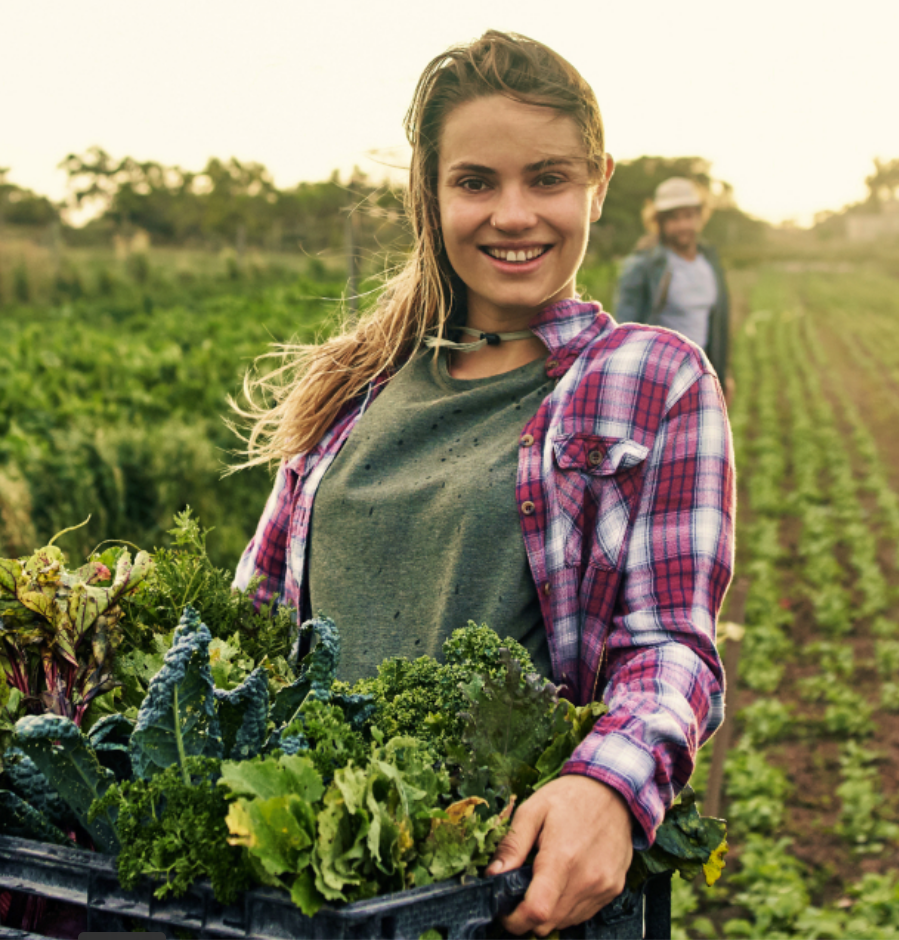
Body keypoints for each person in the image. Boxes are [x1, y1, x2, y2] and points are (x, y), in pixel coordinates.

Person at [230, 31, 732, 937]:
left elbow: (669, 645)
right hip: (311, 885)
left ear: (597, 184)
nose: (513, 213)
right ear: (429, 194)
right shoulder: (357, 382)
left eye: (547, 178)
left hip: (500, 893)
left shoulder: (652, 378)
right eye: (474, 183)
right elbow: (254, 616)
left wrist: (605, 782)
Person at [614, 177, 733, 396]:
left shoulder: (709, 260)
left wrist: (722, 376)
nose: (683, 225)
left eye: (688, 216)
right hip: (660, 381)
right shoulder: (644, 265)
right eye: (673, 219)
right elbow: (625, 332)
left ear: (699, 216)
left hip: (701, 377)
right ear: (658, 222)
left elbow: (718, 322)